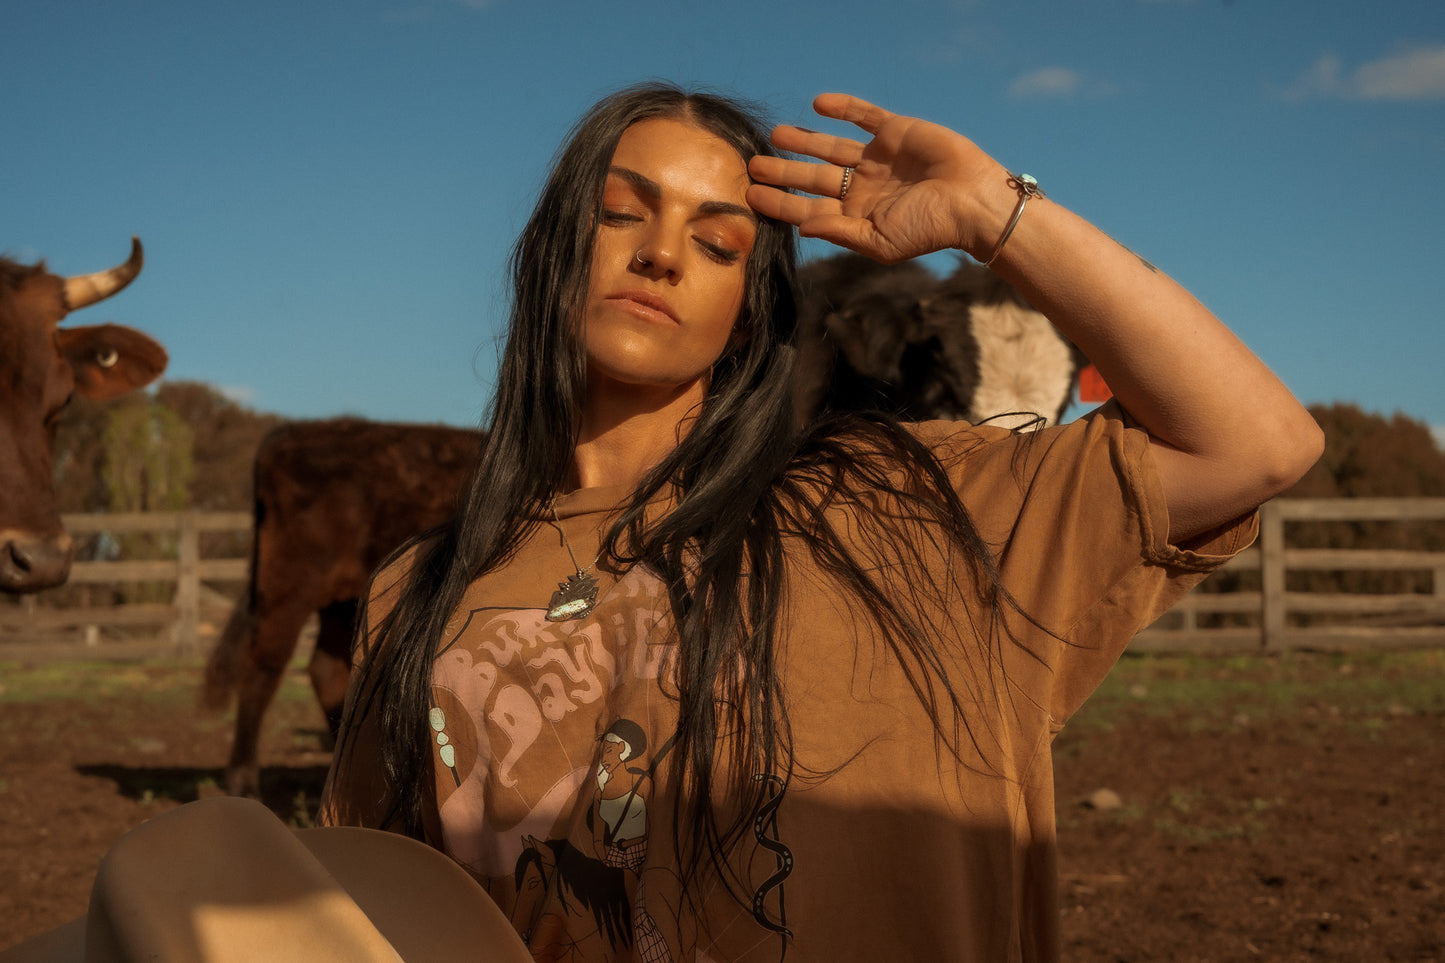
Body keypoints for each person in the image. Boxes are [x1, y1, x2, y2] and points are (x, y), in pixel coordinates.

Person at [319, 83, 1322, 963]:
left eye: (716, 242)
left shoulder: (903, 508)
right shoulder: (416, 592)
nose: (661, 254)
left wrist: (992, 216)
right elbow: (384, 907)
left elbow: (1254, 445)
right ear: (550, 254)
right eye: (621, 214)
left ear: (749, 314)